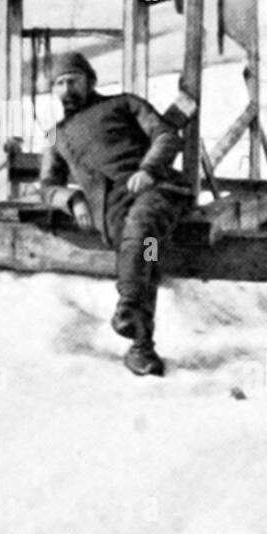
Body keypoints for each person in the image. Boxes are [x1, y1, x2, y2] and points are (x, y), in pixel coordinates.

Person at [40, 51, 190, 376]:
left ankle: (129, 306)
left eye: (73, 80)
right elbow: (48, 185)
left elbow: (165, 135)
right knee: (146, 251)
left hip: (157, 191)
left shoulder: (124, 104)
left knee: (143, 229)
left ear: (90, 81)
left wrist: (149, 169)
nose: (67, 89)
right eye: (59, 83)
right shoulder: (55, 134)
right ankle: (140, 345)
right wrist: (73, 200)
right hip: (112, 209)